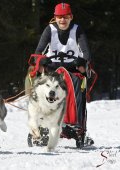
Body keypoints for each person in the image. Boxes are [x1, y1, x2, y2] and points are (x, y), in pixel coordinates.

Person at [26, 2, 94, 148]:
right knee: (45, 86)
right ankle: (42, 125)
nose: (62, 20)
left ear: (71, 17)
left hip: (72, 70)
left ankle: (76, 125)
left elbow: (86, 53)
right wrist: (41, 59)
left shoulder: (77, 30)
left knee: (74, 81)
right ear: (55, 18)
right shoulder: (50, 30)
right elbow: (38, 52)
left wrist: (82, 61)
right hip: (52, 71)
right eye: (59, 17)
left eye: (66, 17)